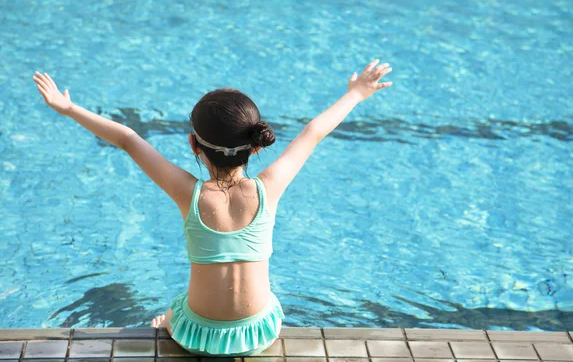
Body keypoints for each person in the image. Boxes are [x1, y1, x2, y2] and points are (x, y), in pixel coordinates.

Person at [31, 59, 392, 356]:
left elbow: (128, 138)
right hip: (258, 333)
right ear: (256, 146)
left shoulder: (187, 193)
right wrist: (357, 93)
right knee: (266, 298)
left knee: (173, 311)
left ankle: (167, 322)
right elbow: (314, 131)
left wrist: (68, 108)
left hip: (197, 334)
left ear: (193, 145)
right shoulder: (270, 187)